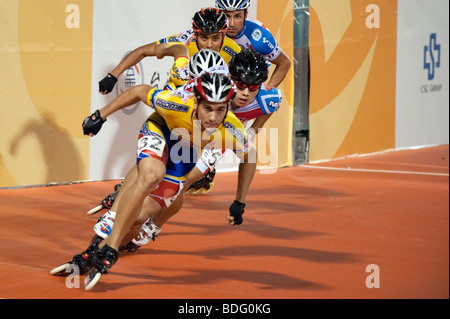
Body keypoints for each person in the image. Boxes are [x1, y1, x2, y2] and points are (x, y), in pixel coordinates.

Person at [52, 72, 250, 289]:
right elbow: (138, 91)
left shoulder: (233, 131)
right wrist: (100, 115)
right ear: (196, 101)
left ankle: (94, 253)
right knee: (151, 175)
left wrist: (239, 201)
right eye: (207, 108)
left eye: (220, 109)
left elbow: (250, 158)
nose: (213, 117)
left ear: (228, 107)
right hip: (160, 130)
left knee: (139, 219)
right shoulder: (175, 104)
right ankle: (110, 250)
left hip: (186, 152)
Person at [94, 49, 281, 253]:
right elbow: (177, 92)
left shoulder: (270, 99)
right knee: (150, 164)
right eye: (240, 84)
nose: (245, 92)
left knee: (181, 185)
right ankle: (120, 205)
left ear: (262, 85)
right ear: (229, 76)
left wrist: (239, 200)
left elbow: (253, 135)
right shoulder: (210, 79)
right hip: (191, 123)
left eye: (253, 87)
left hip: (218, 137)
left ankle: (153, 226)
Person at [98, 7, 241, 95]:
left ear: (223, 35)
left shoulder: (233, 49)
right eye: (204, 38)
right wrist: (113, 75)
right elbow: (142, 51)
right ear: (195, 34)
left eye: (215, 38)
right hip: (181, 92)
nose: (209, 44)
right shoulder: (184, 40)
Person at [215, 0, 291, 88]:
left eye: (237, 16)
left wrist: (267, 91)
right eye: (227, 16)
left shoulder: (259, 37)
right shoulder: (212, 31)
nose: (231, 24)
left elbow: (285, 63)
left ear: (245, 15)